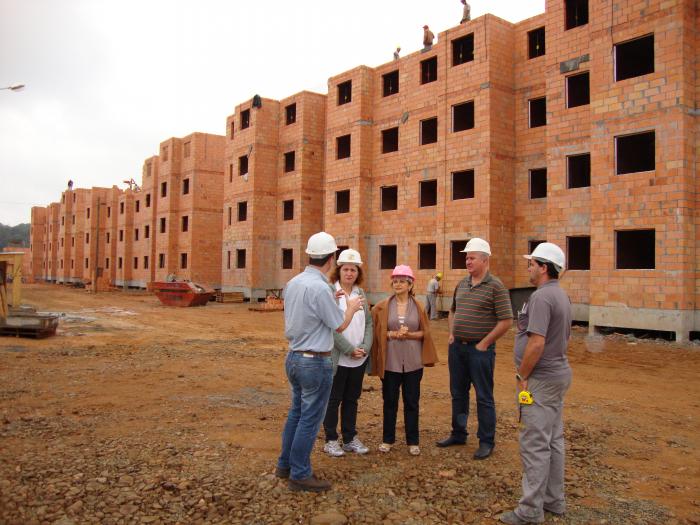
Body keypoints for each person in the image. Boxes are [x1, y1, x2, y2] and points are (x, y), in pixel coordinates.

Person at [276, 232, 364, 492]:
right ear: (332, 258)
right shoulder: (321, 287)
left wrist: (332, 302)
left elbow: (309, 313)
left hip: (294, 356)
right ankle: (300, 474)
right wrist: (350, 307)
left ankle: (285, 465)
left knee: (296, 413)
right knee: (309, 419)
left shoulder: (294, 283)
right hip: (314, 361)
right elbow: (339, 325)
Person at [499, 243, 572, 525]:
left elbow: (537, 341)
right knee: (553, 439)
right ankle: (554, 500)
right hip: (557, 376)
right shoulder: (560, 295)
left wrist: (523, 376)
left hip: (539, 379)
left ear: (544, 267)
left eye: (532, 263)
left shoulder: (542, 298)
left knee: (534, 443)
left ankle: (530, 510)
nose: (528, 267)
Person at [436, 238, 513, 460]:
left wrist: (485, 343)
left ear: (485, 260)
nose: (467, 261)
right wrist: (452, 333)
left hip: (480, 352)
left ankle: (486, 441)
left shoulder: (496, 286)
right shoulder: (462, 284)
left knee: (483, 396)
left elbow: (506, 321)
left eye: (471, 258)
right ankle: (458, 433)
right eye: (466, 258)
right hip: (457, 350)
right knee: (458, 394)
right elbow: (452, 311)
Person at [370, 265, 437, 456]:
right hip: (390, 362)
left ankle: (413, 441)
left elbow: (426, 332)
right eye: (395, 281)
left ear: (410, 284)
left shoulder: (419, 306)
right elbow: (375, 331)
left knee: (412, 401)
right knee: (389, 401)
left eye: (402, 281)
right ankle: (387, 439)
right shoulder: (382, 306)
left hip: (413, 363)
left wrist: (411, 335)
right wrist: (390, 334)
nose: (398, 284)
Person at [322, 249, 373, 457]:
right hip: (339, 359)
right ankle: (331, 439)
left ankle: (350, 438)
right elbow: (330, 327)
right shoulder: (331, 293)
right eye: (346, 269)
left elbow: (368, 323)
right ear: (339, 270)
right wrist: (349, 349)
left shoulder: (360, 294)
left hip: (358, 359)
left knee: (352, 399)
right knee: (333, 400)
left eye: (353, 269)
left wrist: (364, 348)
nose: (349, 273)